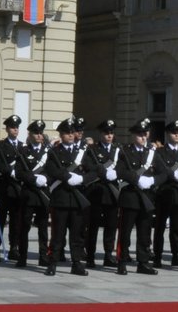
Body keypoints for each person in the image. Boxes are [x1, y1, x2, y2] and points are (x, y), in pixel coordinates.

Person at [43, 116, 91, 276]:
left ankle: (77, 263)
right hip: (61, 198)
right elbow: (50, 169)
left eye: (72, 132)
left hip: (78, 199)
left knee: (77, 235)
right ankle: (53, 263)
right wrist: (67, 177)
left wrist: (82, 179)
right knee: (58, 234)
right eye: (67, 132)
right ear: (61, 135)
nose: (71, 135)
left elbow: (95, 171)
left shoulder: (82, 152)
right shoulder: (54, 152)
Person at [114, 117, 160, 275]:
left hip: (147, 198)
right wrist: (137, 179)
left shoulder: (152, 154)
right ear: (134, 136)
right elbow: (120, 171)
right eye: (140, 134)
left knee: (145, 232)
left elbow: (165, 173)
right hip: (130, 197)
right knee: (125, 232)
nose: (143, 137)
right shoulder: (125, 151)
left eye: (145, 134)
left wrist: (152, 180)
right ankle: (121, 260)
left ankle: (143, 262)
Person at [12, 120, 53, 267]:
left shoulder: (49, 152)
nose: (39, 136)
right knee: (24, 227)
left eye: (41, 133)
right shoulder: (23, 151)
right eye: (36, 133)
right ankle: (22, 256)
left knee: (43, 228)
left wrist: (45, 178)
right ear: (29, 134)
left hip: (43, 194)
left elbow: (53, 171)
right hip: (28, 194)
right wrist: (33, 178)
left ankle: (43, 256)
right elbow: (18, 172)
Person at [153, 120, 178, 267]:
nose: (177, 135)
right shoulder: (160, 152)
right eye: (174, 133)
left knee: (176, 227)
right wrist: (175, 174)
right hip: (165, 192)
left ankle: (177, 255)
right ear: (168, 134)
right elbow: (161, 170)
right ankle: (157, 255)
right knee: (160, 226)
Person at [83, 119, 122, 268]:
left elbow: (124, 167)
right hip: (96, 192)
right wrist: (104, 172)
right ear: (100, 134)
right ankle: (90, 256)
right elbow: (88, 166)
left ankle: (108, 255)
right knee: (92, 226)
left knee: (111, 226)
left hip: (112, 194)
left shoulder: (118, 150)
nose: (109, 135)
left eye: (111, 133)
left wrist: (116, 173)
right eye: (106, 133)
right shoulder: (92, 149)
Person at [0, 115, 24, 261]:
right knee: (1, 220)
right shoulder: (0, 146)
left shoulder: (22, 146)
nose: (15, 130)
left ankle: (14, 247)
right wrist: (9, 170)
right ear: (7, 129)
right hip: (4, 188)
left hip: (17, 189)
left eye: (16, 127)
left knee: (16, 220)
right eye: (12, 127)